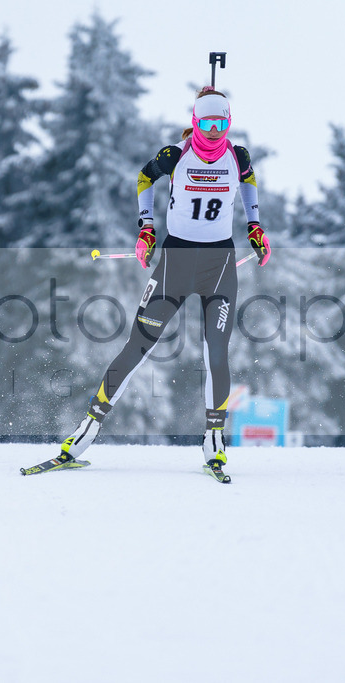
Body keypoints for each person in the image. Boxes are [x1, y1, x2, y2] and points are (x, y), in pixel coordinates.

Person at [42, 86, 270, 482]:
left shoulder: (238, 156)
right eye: (207, 123)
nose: (215, 132)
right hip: (176, 261)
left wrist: (254, 224)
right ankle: (84, 433)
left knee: (216, 351)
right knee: (139, 346)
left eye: (222, 123)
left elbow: (248, 182)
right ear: (195, 122)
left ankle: (214, 439)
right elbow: (144, 178)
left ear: (228, 123)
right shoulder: (175, 155)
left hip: (219, 264)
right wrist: (146, 228)